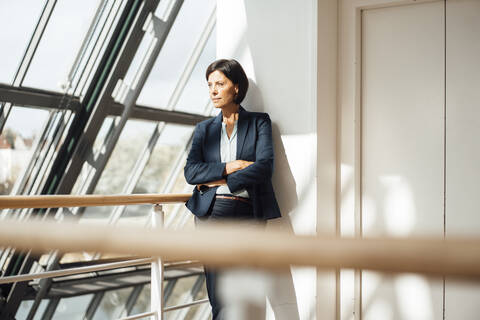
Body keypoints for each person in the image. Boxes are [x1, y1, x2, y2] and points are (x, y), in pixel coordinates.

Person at [183, 58, 281, 319]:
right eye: (209, 85)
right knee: (219, 298)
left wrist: (219, 180)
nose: (213, 91)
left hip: (248, 215)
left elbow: (264, 168)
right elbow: (191, 172)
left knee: (245, 297)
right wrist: (232, 166)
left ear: (236, 87)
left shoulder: (259, 122)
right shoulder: (204, 130)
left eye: (220, 84)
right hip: (211, 215)